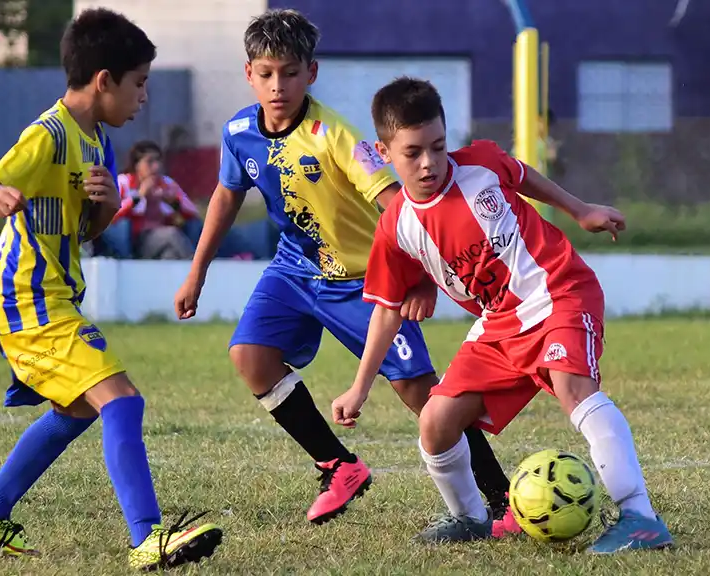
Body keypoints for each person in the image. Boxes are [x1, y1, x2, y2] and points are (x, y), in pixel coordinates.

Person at [173, 9, 514, 528]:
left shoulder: (336, 136)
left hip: (363, 280)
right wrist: (196, 271)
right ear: (249, 74)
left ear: (311, 72)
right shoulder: (239, 132)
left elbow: (398, 203)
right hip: (294, 269)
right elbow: (226, 195)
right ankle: (339, 466)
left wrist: (421, 277)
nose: (278, 86)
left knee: (421, 394)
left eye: (290, 73)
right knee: (250, 356)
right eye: (266, 74)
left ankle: (501, 498)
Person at [331, 77, 674, 552]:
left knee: (573, 388)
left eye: (438, 146)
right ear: (384, 151)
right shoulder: (395, 228)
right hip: (501, 323)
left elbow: (523, 175)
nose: (429, 162)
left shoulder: (481, 164)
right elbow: (386, 312)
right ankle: (469, 517)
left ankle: (640, 518)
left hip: (557, 291)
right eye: (413, 152)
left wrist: (579, 210)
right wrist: (359, 387)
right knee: (435, 421)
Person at [0, 9, 222, 570]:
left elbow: (87, 231)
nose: (144, 96)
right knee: (122, 400)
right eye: (139, 82)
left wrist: (107, 206)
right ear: (103, 81)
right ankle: (147, 539)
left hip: (54, 297)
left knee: (76, 411)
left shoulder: (98, 141)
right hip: (26, 299)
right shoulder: (48, 135)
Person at [110, 140, 201, 260]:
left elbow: (194, 214)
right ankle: (197, 264)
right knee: (172, 234)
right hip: (136, 240)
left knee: (170, 255)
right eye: (150, 161)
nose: (156, 166)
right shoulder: (124, 182)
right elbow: (112, 216)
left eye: (158, 160)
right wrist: (138, 197)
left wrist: (174, 202)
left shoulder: (166, 183)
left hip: (161, 238)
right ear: (137, 165)